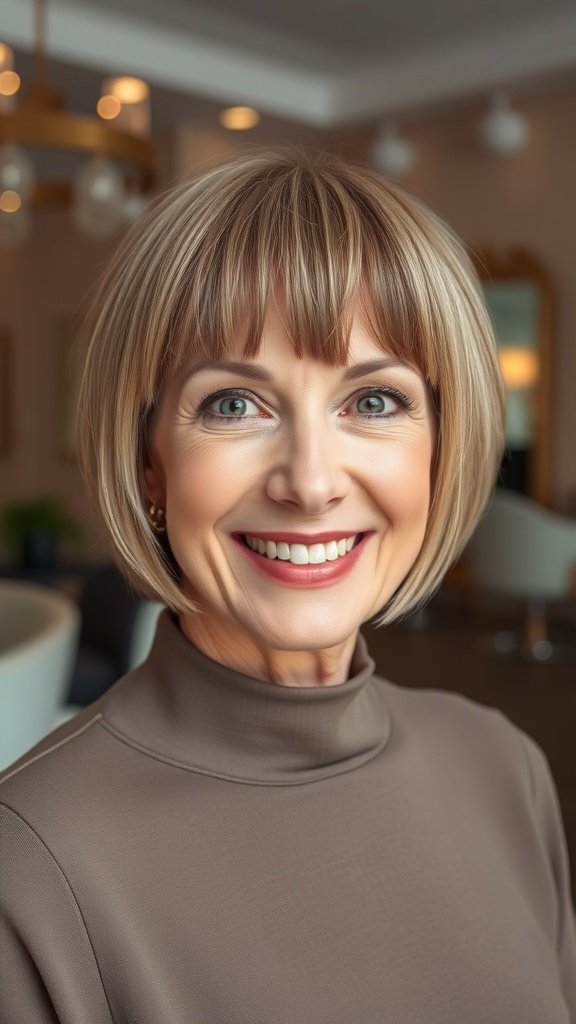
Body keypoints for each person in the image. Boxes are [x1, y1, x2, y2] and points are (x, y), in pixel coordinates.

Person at [1, 151, 575, 1023]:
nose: (310, 482)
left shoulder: (509, 771)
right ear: (150, 462)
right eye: (235, 404)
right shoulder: (31, 867)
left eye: (374, 402)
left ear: (438, 447)